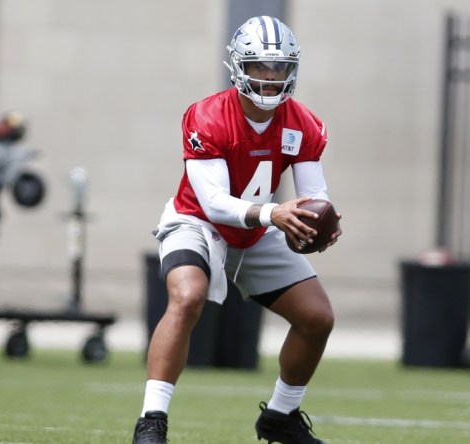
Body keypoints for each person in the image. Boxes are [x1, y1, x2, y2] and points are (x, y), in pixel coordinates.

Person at [132, 15, 341, 444]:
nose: (269, 77)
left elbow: (312, 198)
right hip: (198, 222)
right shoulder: (207, 116)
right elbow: (214, 204)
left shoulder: (303, 124)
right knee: (187, 296)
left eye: (278, 67)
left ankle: (281, 417)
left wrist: (315, 225)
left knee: (317, 318)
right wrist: (274, 216)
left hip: (259, 228)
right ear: (237, 67)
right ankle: (151, 421)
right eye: (259, 66)